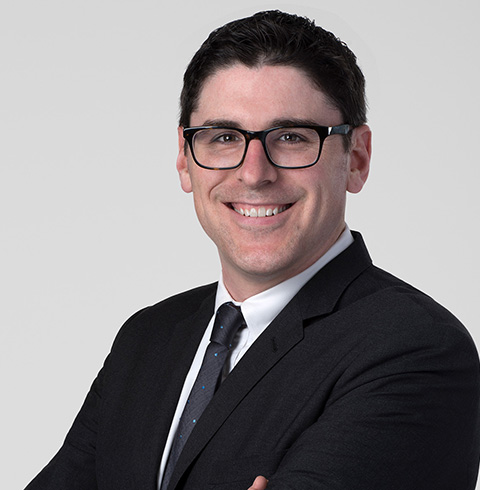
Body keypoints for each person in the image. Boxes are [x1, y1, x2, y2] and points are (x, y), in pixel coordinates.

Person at [25, 10, 480, 490]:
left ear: (357, 159)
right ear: (184, 159)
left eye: (291, 137)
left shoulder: (414, 349)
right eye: (224, 137)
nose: (254, 173)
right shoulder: (147, 340)